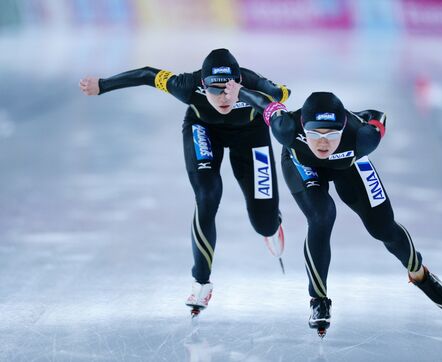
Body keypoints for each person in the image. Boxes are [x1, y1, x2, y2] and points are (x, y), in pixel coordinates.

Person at [224, 80, 442, 336]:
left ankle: (419, 274)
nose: (323, 143)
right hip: (303, 166)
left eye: (331, 134)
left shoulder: (363, 137)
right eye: (315, 134)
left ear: (343, 128)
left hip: (349, 163)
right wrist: (239, 91)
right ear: (304, 127)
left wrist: (358, 118)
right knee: (322, 216)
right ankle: (318, 300)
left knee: (382, 227)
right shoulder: (287, 127)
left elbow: (378, 116)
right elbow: (265, 104)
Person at [79, 49, 290, 316]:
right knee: (207, 195)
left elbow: (283, 94)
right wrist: (103, 86)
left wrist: (252, 95)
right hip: (204, 129)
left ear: (238, 82)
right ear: (203, 84)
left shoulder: (253, 82)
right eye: (214, 90)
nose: (223, 98)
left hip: (251, 136)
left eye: (229, 90)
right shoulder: (186, 85)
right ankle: (201, 282)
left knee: (264, 222)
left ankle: (272, 223)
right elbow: (147, 74)